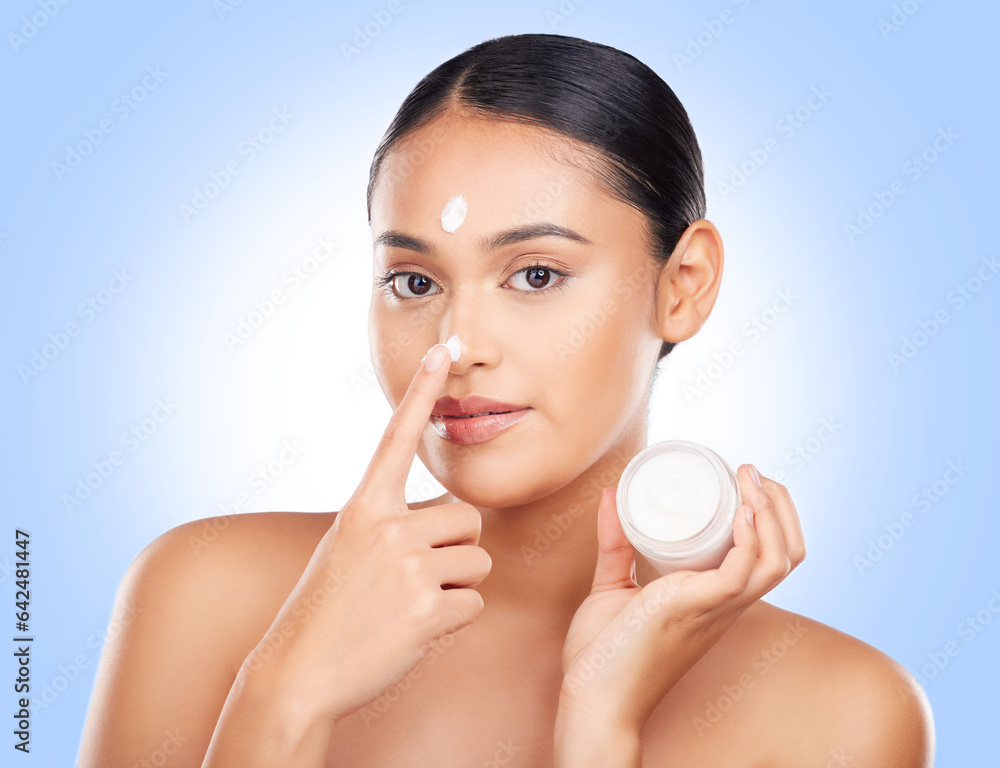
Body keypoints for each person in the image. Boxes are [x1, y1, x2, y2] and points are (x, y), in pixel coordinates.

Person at [78, 33, 934, 767]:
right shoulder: (200, 594)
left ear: (684, 285)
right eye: (414, 282)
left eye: (536, 275)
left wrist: (599, 728)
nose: (457, 346)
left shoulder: (840, 713)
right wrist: (285, 692)